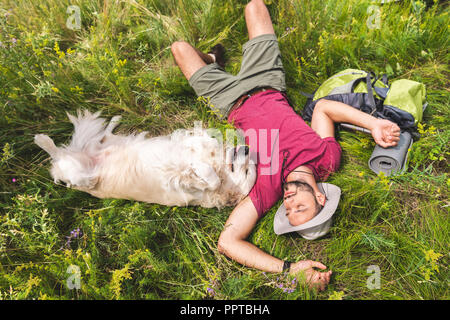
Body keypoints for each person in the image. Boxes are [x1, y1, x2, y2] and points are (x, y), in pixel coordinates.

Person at [170, 0, 400, 291]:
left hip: (229, 100)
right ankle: (213, 61)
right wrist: (374, 124)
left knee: (179, 48)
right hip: (266, 81)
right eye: (300, 206)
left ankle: (211, 64)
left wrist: (289, 269)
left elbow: (228, 241)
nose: (289, 203)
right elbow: (324, 109)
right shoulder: (327, 160)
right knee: (255, 6)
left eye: (288, 210)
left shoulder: (268, 187)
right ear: (320, 197)